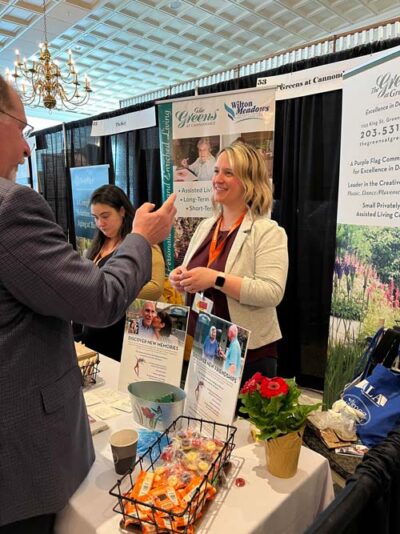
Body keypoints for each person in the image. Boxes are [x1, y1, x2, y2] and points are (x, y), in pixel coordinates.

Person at [0, 75, 176, 532]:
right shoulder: (10, 207)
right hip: (21, 461)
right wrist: (141, 236)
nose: (25, 149)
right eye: (22, 129)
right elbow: (99, 298)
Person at [169, 142, 288, 384]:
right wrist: (181, 278)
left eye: (228, 173)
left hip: (247, 354)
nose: (217, 179)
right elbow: (196, 272)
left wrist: (215, 279)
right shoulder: (206, 226)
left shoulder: (267, 231)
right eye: (216, 171)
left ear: (249, 181)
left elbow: (272, 292)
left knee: (242, 423)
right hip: (205, 346)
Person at [78, 184, 166, 361]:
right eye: (95, 218)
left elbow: (156, 288)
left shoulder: (143, 245)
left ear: (122, 211)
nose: (100, 223)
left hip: (123, 337)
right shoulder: (97, 246)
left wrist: (111, 291)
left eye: (105, 216)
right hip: (94, 333)